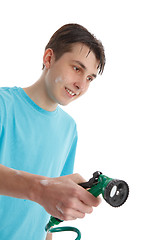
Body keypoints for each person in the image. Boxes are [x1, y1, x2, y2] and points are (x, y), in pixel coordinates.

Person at [0, 23, 105, 240]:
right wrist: (39, 189)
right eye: (77, 68)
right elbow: (45, 192)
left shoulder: (69, 129)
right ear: (49, 58)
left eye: (90, 78)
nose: (81, 86)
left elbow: (48, 215)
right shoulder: (4, 105)